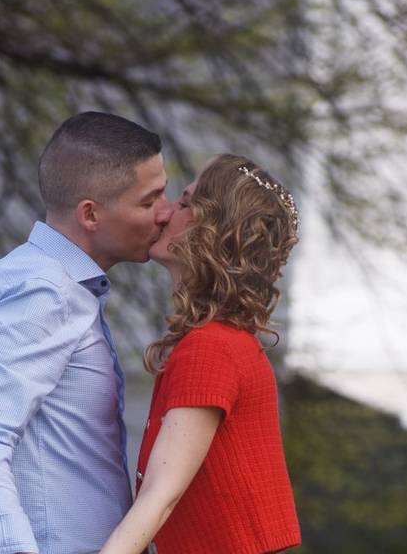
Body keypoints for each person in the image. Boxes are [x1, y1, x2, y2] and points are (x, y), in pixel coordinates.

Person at [0, 111, 173, 554]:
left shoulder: (58, 285)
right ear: (90, 214)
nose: (165, 214)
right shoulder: (42, 289)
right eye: (148, 202)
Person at [100, 154, 303, 554]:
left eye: (185, 203)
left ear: (212, 230)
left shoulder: (211, 347)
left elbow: (161, 496)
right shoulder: (224, 340)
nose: (164, 213)